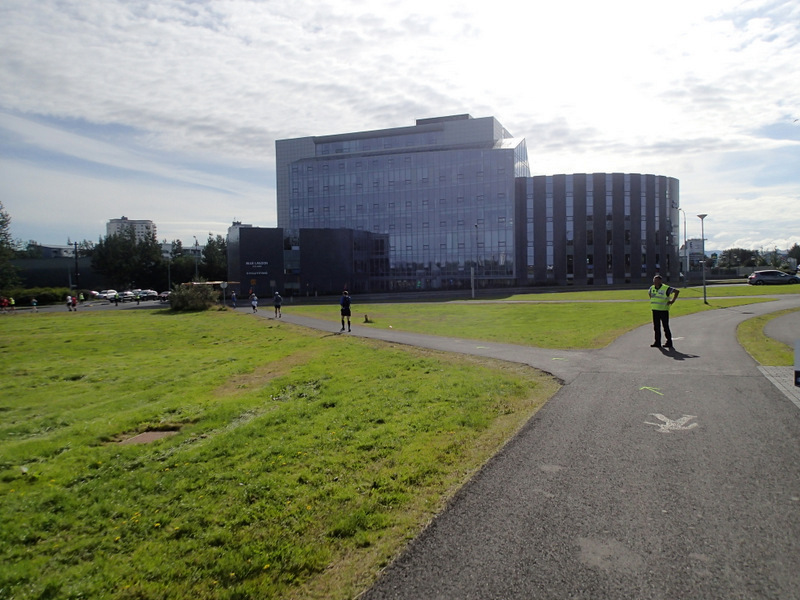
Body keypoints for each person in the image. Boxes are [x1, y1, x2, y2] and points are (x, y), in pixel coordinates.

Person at [648, 274, 679, 348]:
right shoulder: (652, 288)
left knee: (665, 327)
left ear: (660, 281)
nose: (655, 282)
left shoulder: (666, 288)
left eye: (656, 280)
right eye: (654, 280)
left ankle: (669, 342)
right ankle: (657, 342)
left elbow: (677, 291)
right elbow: (650, 294)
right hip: (655, 310)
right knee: (656, 327)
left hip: (664, 310)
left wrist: (672, 301)